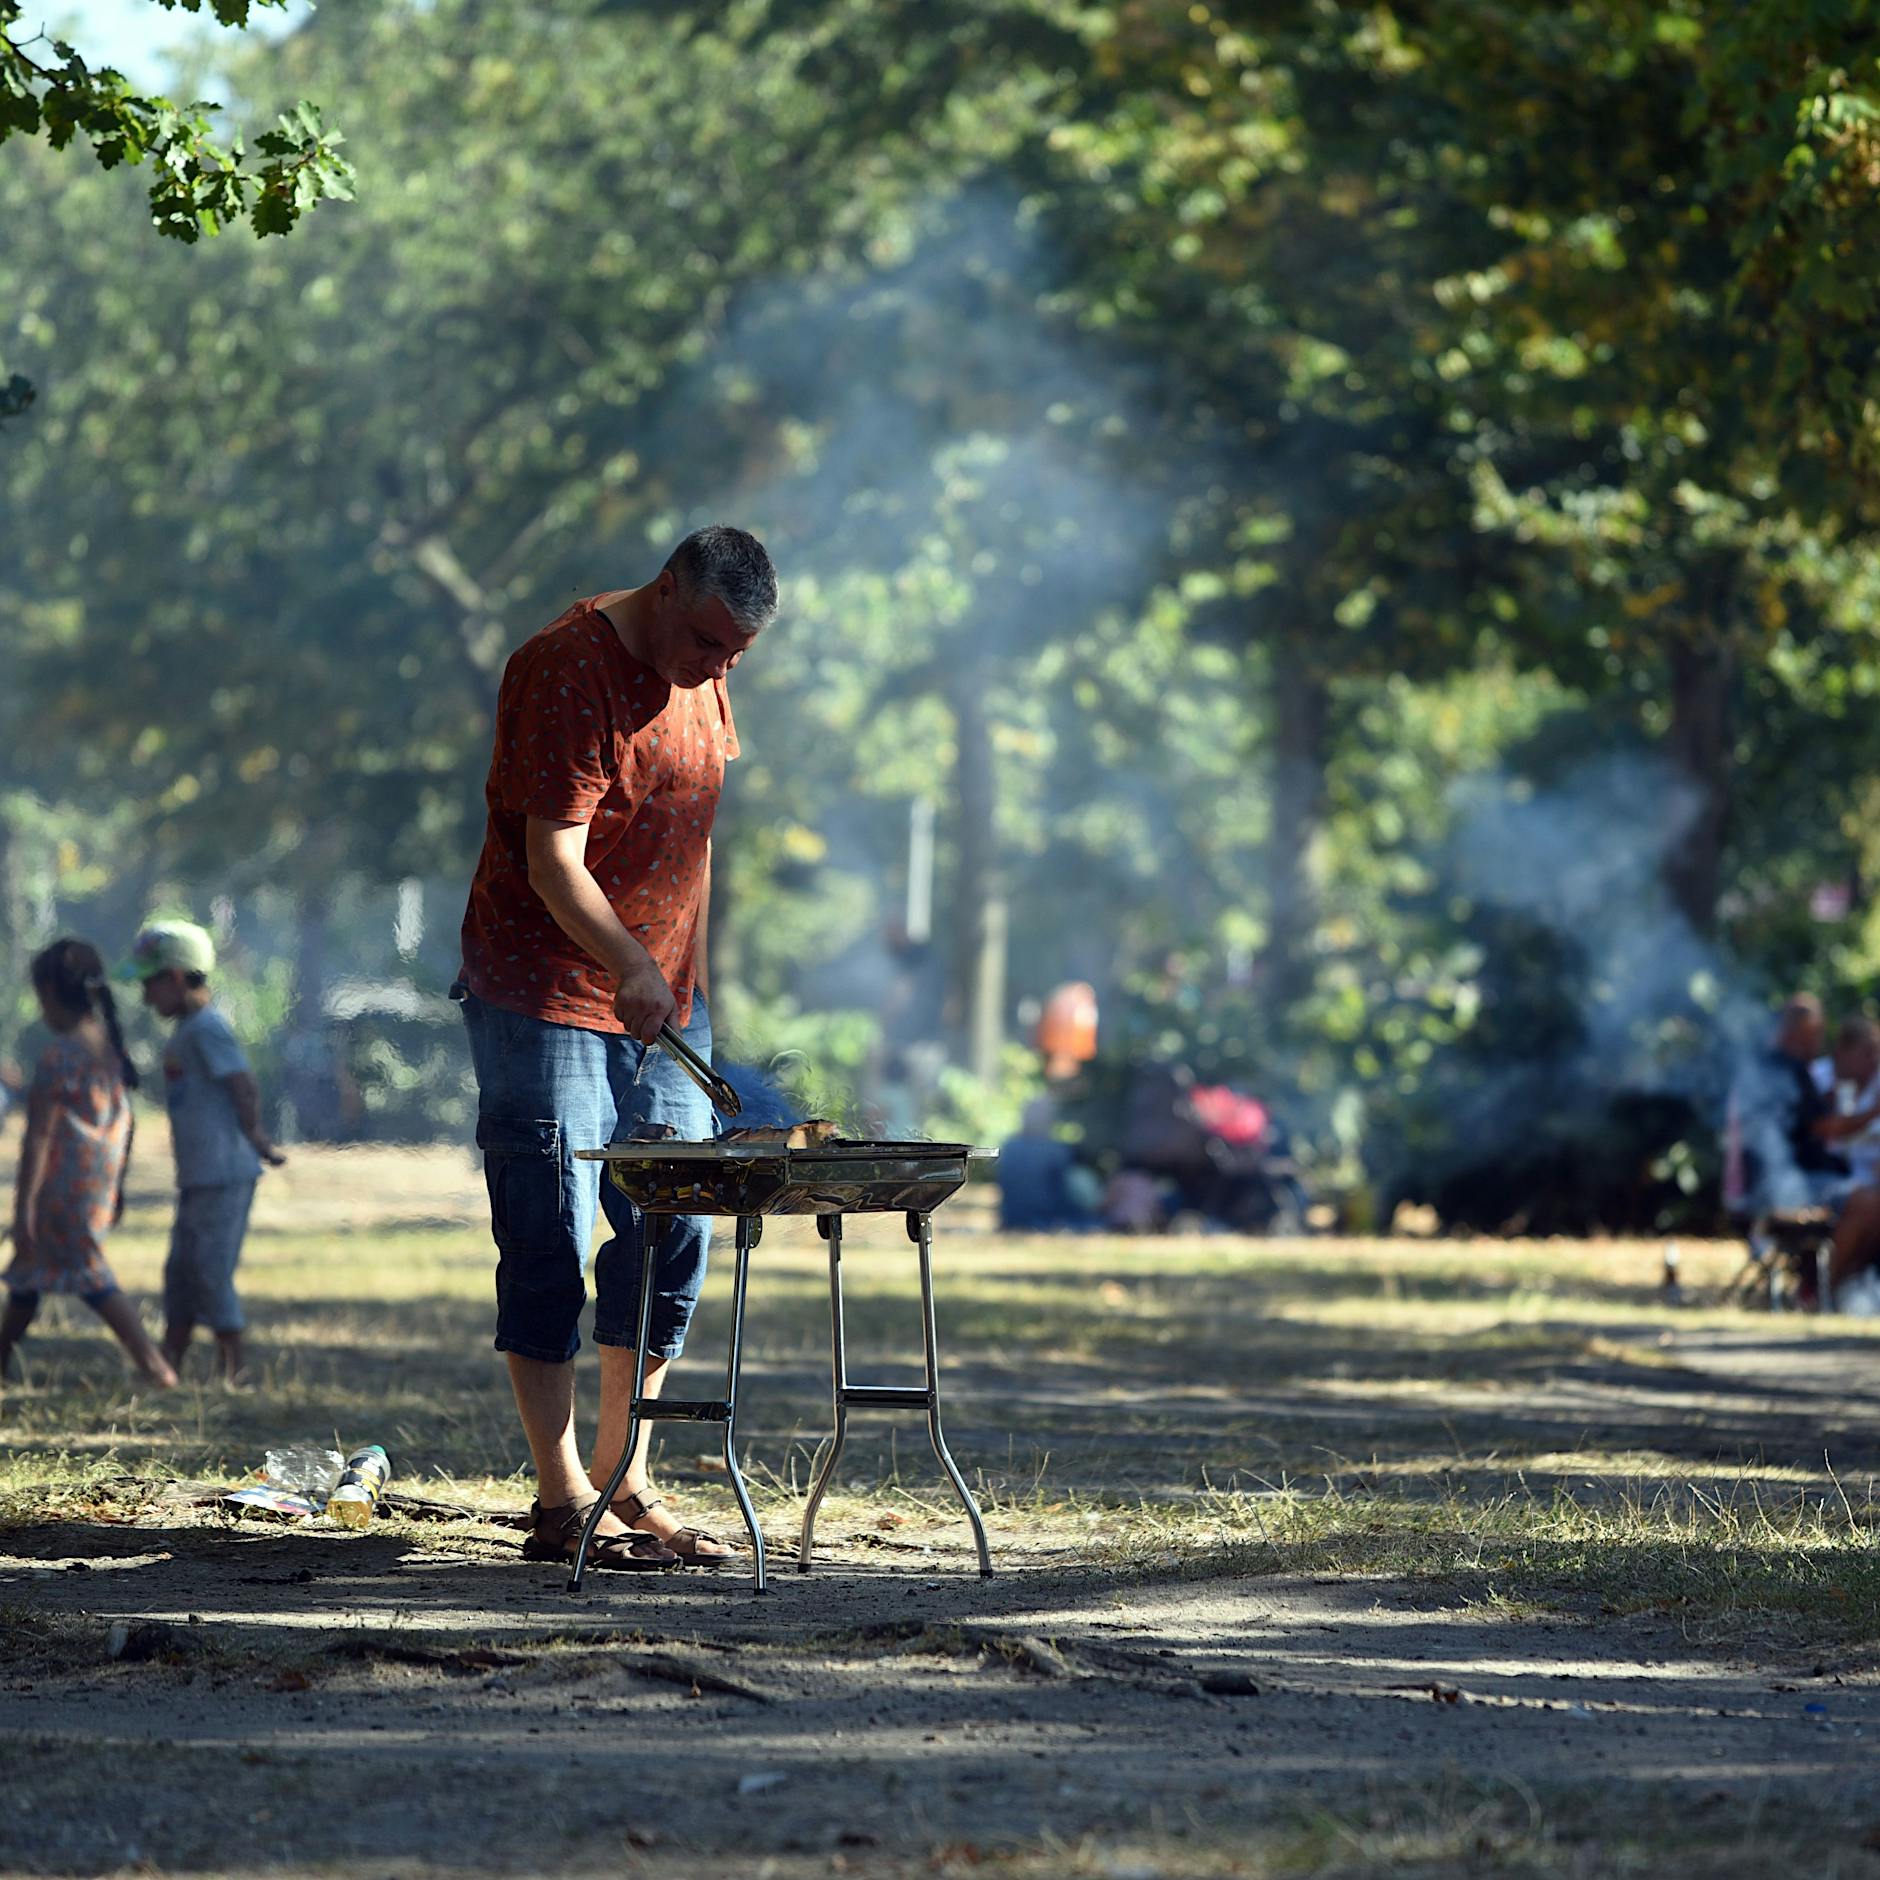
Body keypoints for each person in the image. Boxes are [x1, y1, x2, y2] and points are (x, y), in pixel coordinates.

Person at [454, 525, 777, 1572]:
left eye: (735, 655)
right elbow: (552, 859)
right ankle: (560, 1497)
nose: (715, 668)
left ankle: (623, 1469)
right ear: (667, 587)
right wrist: (631, 962)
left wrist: (684, 974)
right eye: (703, 643)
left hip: (661, 1002)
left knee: (673, 1224)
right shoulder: (566, 666)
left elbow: (694, 836)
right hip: (543, 989)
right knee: (546, 1223)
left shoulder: (708, 674)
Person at [1, 939, 176, 1387]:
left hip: (60, 1192)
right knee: (28, 1277)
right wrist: (116, 1189)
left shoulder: (59, 1056)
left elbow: (38, 1139)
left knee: (92, 1279)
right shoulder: (108, 1048)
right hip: (95, 1187)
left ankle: (155, 1367)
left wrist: (23, 1212)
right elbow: (126, 1124)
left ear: (52, 993)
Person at [121, 919, 286, 1383]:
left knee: (210, 1270)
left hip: (223, 1173)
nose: (146, 997)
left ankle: (234, 1369)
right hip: (199, 1175)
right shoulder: (187, 1031)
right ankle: (167, 1362)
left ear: (175, 977)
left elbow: (243, 1083)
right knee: (181, 1271)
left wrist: (256, 1137)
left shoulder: (207, 1028)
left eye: (150, 984)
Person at [1741, 994, 1880, 1304]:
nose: (1821, 1041)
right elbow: (1824, 1127)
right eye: (1815, 1032)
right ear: (1796, 1031)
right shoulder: (1783, 1068)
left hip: (1800, 1178)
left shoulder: (1792, 1069)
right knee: (1868, 1203)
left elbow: (1807, 1122)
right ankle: (1817, 1294)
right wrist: (1872, 1113)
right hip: (1785, 1186)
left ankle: (1837, 1291)